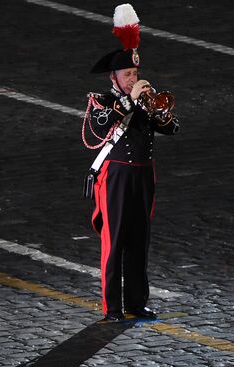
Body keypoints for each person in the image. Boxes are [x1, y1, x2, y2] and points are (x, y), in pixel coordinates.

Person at [82, 4, 180, 322]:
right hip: (116, 176)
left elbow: (170, 129)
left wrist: (161, 113)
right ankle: (112, 307)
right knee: (115, 241)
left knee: (140, 240)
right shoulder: (105, 100)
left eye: (135, 74)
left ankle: (136, 302)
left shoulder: (143, 98)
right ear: (114, 77)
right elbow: (99, 126)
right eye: (128, 74)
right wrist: (128, 100)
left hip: (143, 176)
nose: (133, 79)